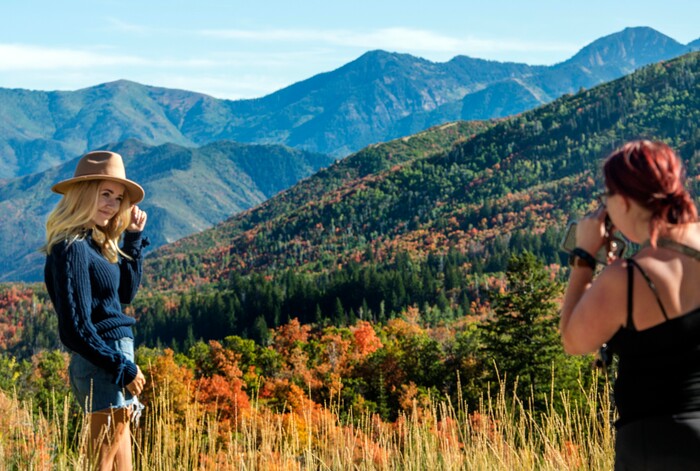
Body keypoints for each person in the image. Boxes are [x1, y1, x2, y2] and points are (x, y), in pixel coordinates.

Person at [560, 140, 700, 469]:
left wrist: (583, 258)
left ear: (622, 200)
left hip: (656, 443)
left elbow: (572, 340)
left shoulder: (627, 278)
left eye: (605, 197)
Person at [43, 150, 148, 471]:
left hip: (111, 359)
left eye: (117, 198)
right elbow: (74, 328)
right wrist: (122, 366)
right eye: (105, 194)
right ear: (84, 193)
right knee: (98, 467)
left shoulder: (93, 242)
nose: (112, 204)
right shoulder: (71, 246)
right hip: (104, 362)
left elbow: (125, 295)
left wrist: (133, 239)